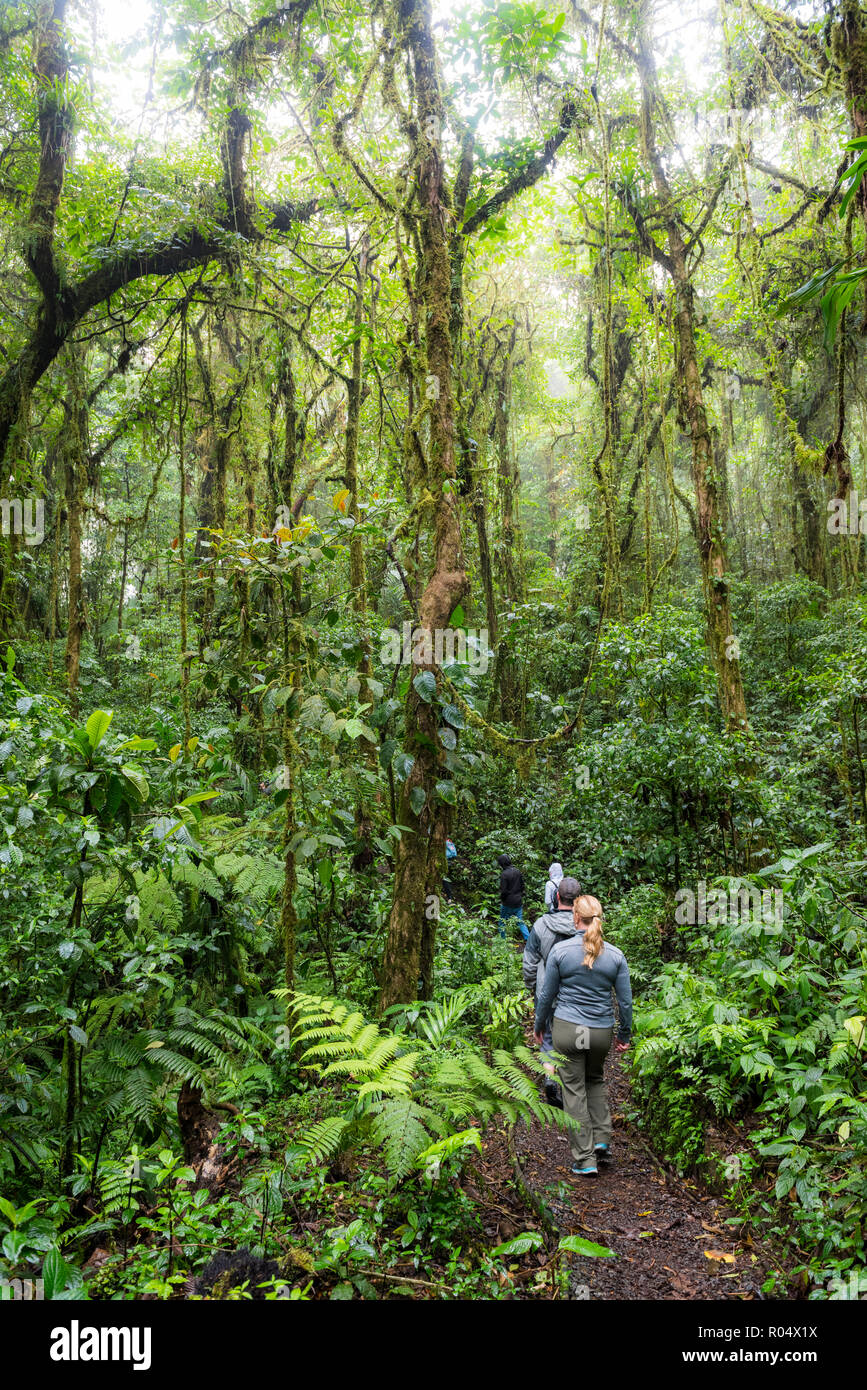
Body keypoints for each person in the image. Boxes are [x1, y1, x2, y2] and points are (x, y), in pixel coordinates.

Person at [534, 893, 632, 1177]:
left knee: (573, 1089)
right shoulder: (615, 955)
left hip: (568, 1030)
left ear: (575, 917)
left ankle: (585, 1158)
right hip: (600, 1031)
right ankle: (602, 1140)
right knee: (595, 1079)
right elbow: (625, 1002)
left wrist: (540, 1025)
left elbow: (546, 996)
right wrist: (624, 1034)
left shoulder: (561, 952)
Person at [523, 874, 582, 1107]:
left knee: (547, 1038)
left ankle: (550, 1079)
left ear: (557, 896)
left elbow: (529, 962)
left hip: (547, 990)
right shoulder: (585, 926)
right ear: (578, 900)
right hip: (575, 993)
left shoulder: (540, 925)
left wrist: (531, 986)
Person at [497, 853, 527, 941]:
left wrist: (502, 899)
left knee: (502, 922)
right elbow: (522, 886)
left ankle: (502, 940)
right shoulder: (517, 871)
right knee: (520, 922)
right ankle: (528, 939)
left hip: (507, 902)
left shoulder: (504, 874)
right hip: (518, 901)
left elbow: (504, 891)